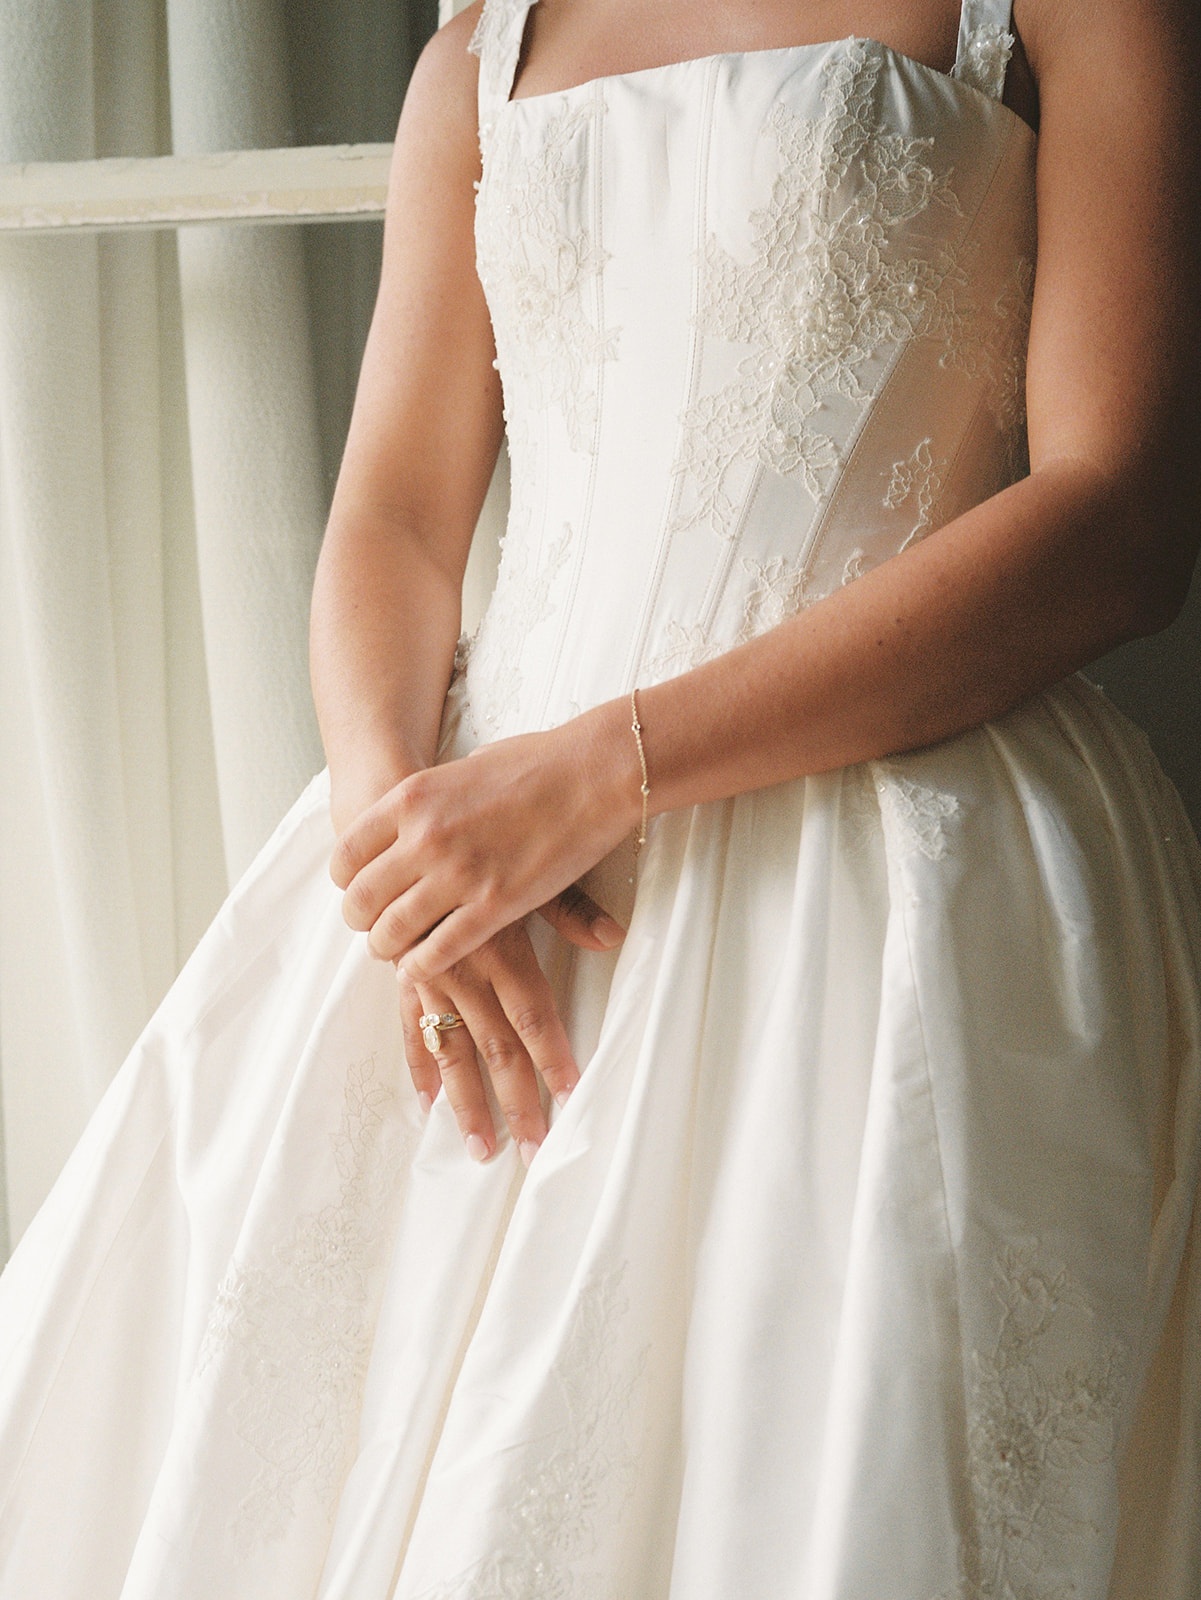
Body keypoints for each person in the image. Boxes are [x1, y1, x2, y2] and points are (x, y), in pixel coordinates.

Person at [1, 0, 1199, 1593]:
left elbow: (1114, 517)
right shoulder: (483, 43)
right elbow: (398, 518)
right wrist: (399, 853)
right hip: (486, 874)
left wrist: (602, 771)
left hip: (888, 887)